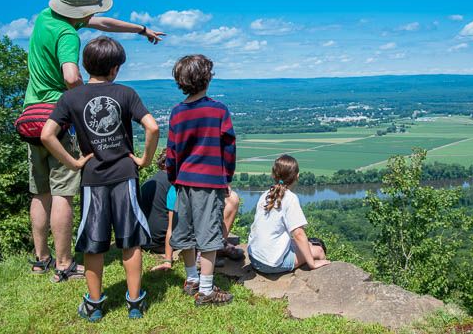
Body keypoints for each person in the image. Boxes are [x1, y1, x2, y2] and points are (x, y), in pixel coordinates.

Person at [25, 0, 164, 283]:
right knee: (63, 192)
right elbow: (72, 76)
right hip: (58, 116)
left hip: (31, 116)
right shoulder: (67, 35)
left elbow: (102, 24)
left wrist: (140, 30)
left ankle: (41, 260)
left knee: (40, 191)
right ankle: (63, 264)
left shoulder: (46, 19)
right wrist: (85, 97)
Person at [41, 36, 159, 321]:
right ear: (115, 68)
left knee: (93, 242)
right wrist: (144, 160)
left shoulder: (71, 97)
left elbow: (46, 135)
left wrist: (74, 162)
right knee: (130, 240)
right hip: (125, 175)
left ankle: (94, 305)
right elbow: (152, 128)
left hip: (92, 178)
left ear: (85, 64)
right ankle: (134, 302)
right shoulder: (126, 93)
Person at [166, 54, 236, 306]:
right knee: (208, 234)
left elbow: (172, 152)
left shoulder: (176, 113)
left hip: (183, 181)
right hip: (209, 181)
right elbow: (228, 148)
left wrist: (174, 178)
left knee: (185, 231)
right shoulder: (218, 110)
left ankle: (191, 279)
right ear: (207, 79)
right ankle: (206, 290)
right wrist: (226, 176)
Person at [248, 155, 330, 274]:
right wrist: (312, 263)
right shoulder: (290, 198)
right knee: (318, 250)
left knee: (307, 244)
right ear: (297, 176)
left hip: (254, 257)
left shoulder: (265, 195)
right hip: (270, 264)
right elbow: (298, 234)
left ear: (273, 175)